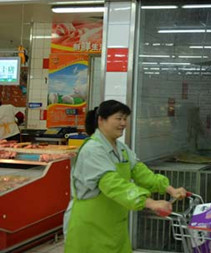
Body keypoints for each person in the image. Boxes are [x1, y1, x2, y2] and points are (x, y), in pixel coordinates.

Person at [64, 100, 187, 252]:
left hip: (114, 225)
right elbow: (111, 184)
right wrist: (150, 203)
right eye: (118, 118)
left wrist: (170, 189)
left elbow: (140, 172)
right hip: (91, 226)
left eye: (125, 119)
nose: (123, 123)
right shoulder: (92, 150)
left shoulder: (121, 149)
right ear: (101, 120)